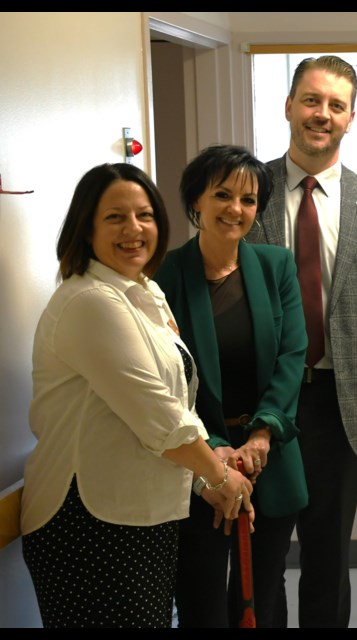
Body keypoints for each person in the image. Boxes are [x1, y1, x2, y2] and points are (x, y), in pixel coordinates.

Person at [20, 163, 252, 628]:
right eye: (114, 217)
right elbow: (157, 414)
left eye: (145, 215)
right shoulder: (91, 302)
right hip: (88, 520)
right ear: (86, 229)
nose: (134, 229)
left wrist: (209, 461)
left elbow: (176, 400)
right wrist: (215, 476)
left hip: (141, 514)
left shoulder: (143, 291)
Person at [244, 54, 357, 628]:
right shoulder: (248, 193)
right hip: (262, 405)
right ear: (289, 106)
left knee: (327, 557)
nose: (322, 114)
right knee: (262, 558)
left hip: (341, 408)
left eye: (335, 105)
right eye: (312, 100)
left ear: (350, 118)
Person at [154, 145, 309, 628]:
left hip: (269, 458)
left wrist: (261, 436)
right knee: (201, 596)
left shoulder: (275, 266)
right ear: (196, 201)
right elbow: (168, 380)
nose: (236, 209)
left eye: (248, 200)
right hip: (199, 462)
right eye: (223, 195)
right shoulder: (165, 276)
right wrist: (218, 449)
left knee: (263, 596)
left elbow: (292, 356)